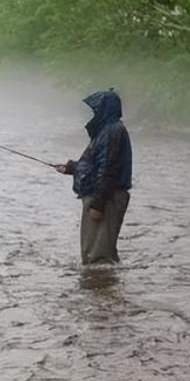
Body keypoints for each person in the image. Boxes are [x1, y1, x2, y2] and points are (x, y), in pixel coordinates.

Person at [55, 89, 132, 265]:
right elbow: (96, 164)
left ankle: (100, 289)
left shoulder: (112, 131)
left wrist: (98, 204)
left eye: (97, 109)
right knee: (95, 253)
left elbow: (108, 169)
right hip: (104, 196)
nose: (94, 113)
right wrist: (72, 168)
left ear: (105, 109)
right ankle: (103, 288)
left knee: (98, 257)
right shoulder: (107, 131)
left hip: (106, 199)